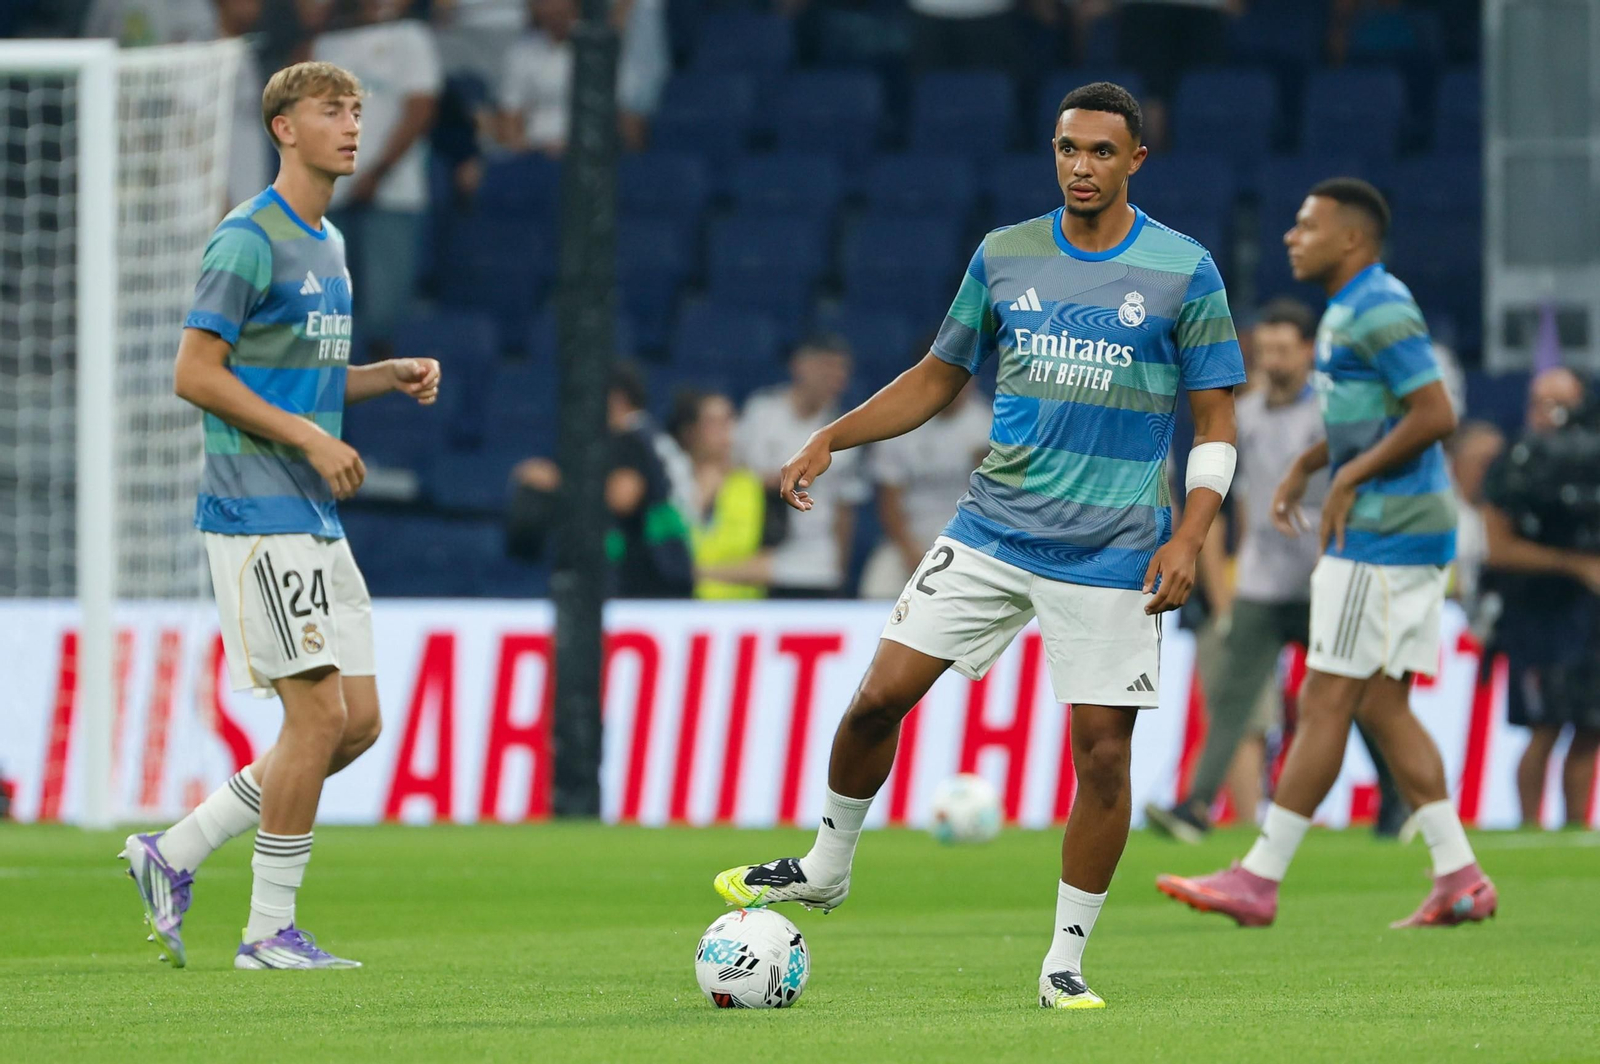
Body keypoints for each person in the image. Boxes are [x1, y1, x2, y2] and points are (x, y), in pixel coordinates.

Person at [714, 83, 1247, 1009]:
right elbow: (937, 375)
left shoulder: (1183, 269)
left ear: (1135, 161)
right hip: (995, 528)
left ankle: (1064, 960)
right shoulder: (1005, 255)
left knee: (1103, 757)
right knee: (878, 697)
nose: (1081, 167)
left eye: (1101, 153)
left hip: (1118, 549)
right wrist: (832, 438)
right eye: (1067, 149)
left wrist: (1193, 533)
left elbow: (1215, 422)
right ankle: (826, 866)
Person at [120, 61, 442, 971]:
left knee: (359, 722)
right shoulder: (246, 239)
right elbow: (196, 372)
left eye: (357, 110)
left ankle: (172, 850)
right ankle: (267, 933)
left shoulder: (330, 243)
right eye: (331, 110)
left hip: (310, 513)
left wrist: (384, 377)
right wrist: (309, 438)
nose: (351, 125)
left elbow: (291, 375)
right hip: (257, 510)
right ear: (282, 128)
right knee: (314, 717)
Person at [1156, 178, 1496, 929]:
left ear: (1351, 239)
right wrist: (1315, 463)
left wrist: (1348, 476)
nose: (1290, 236)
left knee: (1325, 699)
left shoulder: (1378, 306)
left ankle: (1259, 877)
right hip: (1398, 530)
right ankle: (1460, 875)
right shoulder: (1348, 311)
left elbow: (1435, 412)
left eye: (1307, 226)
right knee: (1380, 702)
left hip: (1383, 533)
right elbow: (1368, 417)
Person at [1148, 299, 1408, 841]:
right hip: (1264, 582)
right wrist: (1234, 576)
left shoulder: (1331, 415)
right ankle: (1196, 807)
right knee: (1233, 697)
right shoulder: (1250, 414)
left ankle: (1396, 798)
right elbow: (1239, 502)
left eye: (1284, 350)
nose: (1273, 360)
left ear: (1310, 351)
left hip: (1325, 577)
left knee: (1351, 694)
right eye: (1266, 350)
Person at [1479, 368, 1600, 828]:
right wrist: (1575, 565)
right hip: (1538, 612)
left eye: (1559, 403)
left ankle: (1576, 829)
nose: (1547, 413)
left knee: (1590, 728)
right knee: (1544, 727)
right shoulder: (1513, 464)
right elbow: (1500, 547)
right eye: (1538, 401)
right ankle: (1530, 829)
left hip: (1590, 616)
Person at [313, 0, 442, 351]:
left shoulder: (410, 36)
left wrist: (377, 172)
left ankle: (380, 401)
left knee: (383, 320)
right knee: (328, 319)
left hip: (391, 196)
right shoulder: (327, 43)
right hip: (332, 198)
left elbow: (420, 110)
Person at [507, 363, 693, 599]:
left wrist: (555, 479)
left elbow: (624, 497)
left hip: (652, 577)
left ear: (616, 398)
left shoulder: (632, 437)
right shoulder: (651, 435)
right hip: (666, 570)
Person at [737, 336, 867, 599]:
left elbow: (845, 509)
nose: (835, 376)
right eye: (827, 366)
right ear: (800, 365)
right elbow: (732, 475)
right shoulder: (762, 412)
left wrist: (839, 568)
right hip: (756, 553)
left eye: (842, 369)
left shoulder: (845, 430)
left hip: (816, 562)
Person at [860, 377, 992, 599]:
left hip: (964, 538)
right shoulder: (900, 422)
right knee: (878, 585)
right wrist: (909, 552)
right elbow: (889, 502)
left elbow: (992, 502)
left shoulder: (985, 424)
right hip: (909, 536)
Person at [669, 390, 785, 600]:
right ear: (689, 431)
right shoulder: (669, 487)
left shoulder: (756, 488)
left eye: (729, 419)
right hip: (678, 613)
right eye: (712, 422)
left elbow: (767, 568)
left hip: (737, 617)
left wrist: (695, 573)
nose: (724, 429)